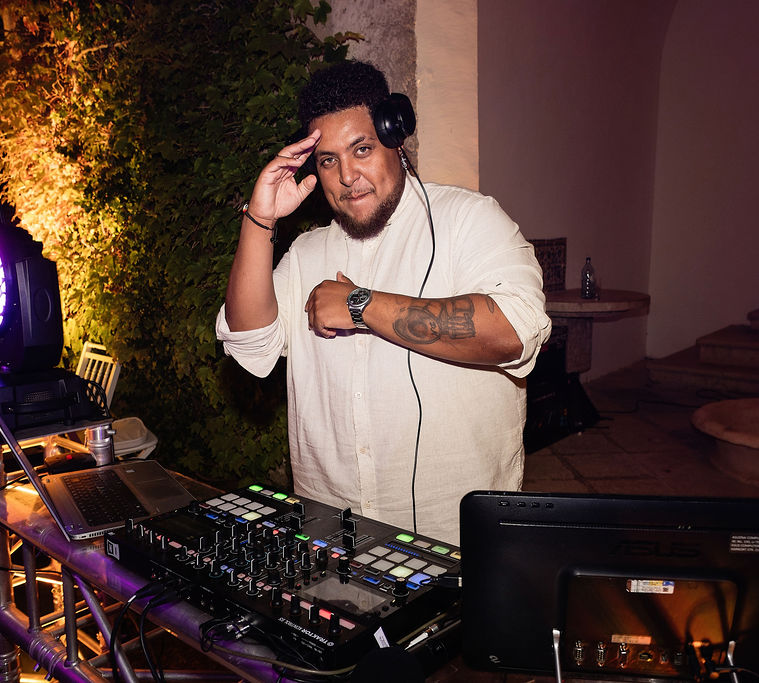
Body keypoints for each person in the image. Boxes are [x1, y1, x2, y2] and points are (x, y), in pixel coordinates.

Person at [215, 60, 551, 544]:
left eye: (362, 149)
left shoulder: (469, 220)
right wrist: (260, 218)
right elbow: (249, 343)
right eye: (328, 160)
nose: (347, 176)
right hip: (333, 535)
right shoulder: (306, 253)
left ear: (396, 137)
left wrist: (360, 305)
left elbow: (515, 331)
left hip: (458, 540)